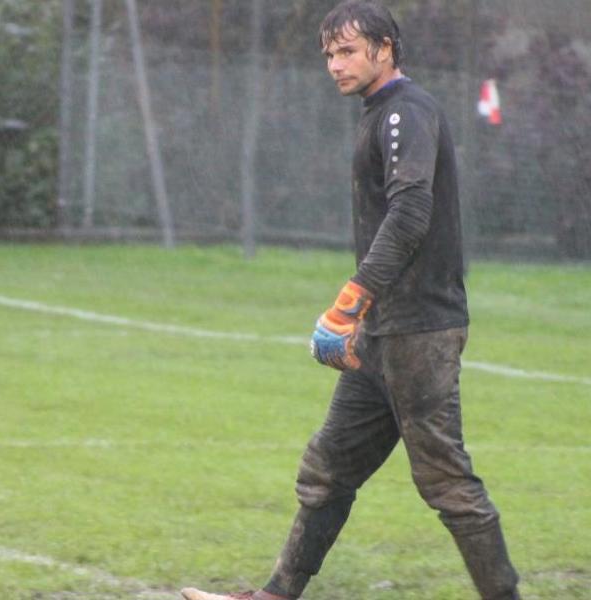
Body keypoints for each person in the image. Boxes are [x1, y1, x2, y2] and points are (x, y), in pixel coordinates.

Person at [181, 2, 522, 599]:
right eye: (329, 55)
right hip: (383, 332)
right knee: (327, 467)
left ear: (384, 48)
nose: (335, 65)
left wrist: (350, 300)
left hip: (419, 332)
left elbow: (411, 212)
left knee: (447, 483)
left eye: (347, 51)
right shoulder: (378, 113)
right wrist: (365, 313)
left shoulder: (405, 113)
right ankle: (274, 595)